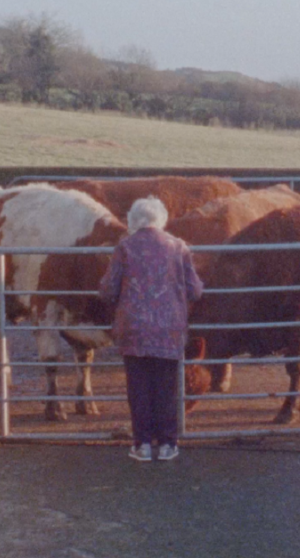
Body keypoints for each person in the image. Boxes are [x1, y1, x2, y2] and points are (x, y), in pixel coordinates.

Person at [99, 196, 203, 462]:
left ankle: (143, 444)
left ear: (133, 220)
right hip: (169, 329)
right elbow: (196, 289)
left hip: (134, 329)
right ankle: (168, 444)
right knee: (167, 388)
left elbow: (108, 290)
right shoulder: (179, 247)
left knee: (139, 388)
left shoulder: (125, 247)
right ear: (162, 219)